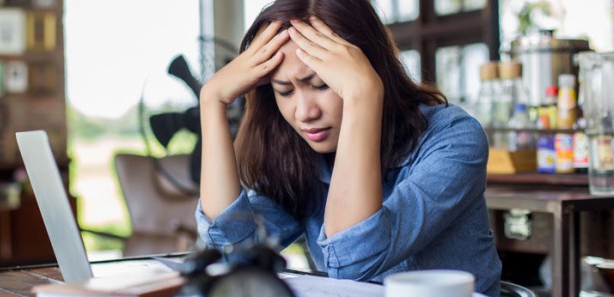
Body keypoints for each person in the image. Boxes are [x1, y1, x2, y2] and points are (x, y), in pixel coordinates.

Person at [195, 0, 502, 295]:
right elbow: (230, 257)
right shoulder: (300, 156)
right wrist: (212, 101)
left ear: (370, 72)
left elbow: (355, 260)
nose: (304, 113)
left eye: (321, 84)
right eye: (285, 90)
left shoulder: (453, 138)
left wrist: (363, 95)